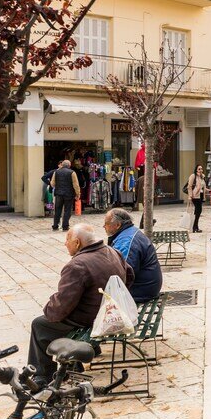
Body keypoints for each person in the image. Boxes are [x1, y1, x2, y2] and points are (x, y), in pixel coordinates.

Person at [28, 224, 133, 384]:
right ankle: (73, 365)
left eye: (67, 239)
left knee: (40, 325)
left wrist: (48, 309)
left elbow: (61, 307)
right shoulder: (113, 251)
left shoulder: (77, 265)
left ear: (77, 243)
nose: (65, 243)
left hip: (90, 319)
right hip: (109, 311)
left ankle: (42, 376)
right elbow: (130, 276)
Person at [104, 208, 162, 303]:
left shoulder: (126, 241)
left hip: (141, 290)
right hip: (146, 286)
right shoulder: (129, 232)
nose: (104, 226)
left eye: (106, 224)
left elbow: (122, 273)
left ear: (118, 225)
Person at [50, 160, 81, 232]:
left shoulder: (56, 172)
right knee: (67, 210)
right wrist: (78, 194)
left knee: (57, 210)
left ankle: (55, 225)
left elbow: (52, 183)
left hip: (58, 194)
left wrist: (57, 186)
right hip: (69, 194)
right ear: (69, 165)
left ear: (62, 165)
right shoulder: (72, 172)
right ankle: (65, 226)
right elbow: (76, 185)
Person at [186, 164, 206, 233]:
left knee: (198, 211)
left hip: (200, 195)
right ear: (196, 169)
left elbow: (202, 186)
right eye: (199, 169)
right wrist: (190, 195)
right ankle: (195, 227)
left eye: (201, 169)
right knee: (198, 210)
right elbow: (189, 186)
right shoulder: (193, 176)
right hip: (195, 195)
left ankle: (195, 227)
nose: (200, 170)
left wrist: (207, 191)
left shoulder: (202, 177)